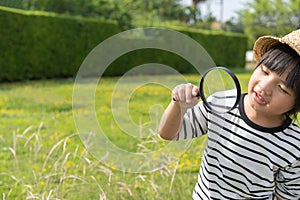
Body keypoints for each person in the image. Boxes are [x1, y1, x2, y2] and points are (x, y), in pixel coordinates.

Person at [158, 29, 300, 199]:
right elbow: (167, 133)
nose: (264, 87)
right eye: (264, 71)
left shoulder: (294, 145)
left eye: (282, 88)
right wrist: (177, 105)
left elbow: (287, 196)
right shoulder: (221, 103)